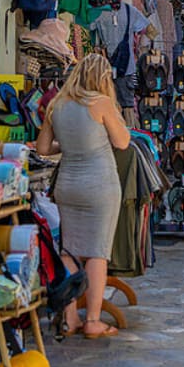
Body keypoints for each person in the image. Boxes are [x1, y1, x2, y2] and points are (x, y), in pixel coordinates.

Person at [36, 54, 130, 338]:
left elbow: (42, 148)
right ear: (102, 78)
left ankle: (69, 318)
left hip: (68, 185)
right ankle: (92, 320)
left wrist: (69, 145)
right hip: (99, 186)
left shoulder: (57, 104)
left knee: (70, 251)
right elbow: (122, 142)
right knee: (97, 253)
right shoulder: (101, 103)